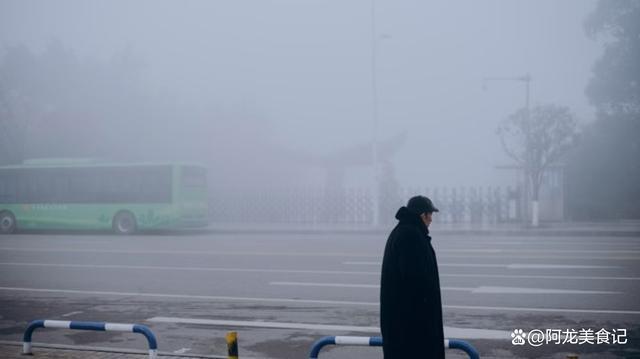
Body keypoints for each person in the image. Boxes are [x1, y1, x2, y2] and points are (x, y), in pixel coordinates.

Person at [380, 195, 444, 358]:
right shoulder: (411, 236)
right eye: (430, 215)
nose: (431, 220)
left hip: (403, 325)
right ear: (423, 215)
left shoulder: (404, 231)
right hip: (411, 328)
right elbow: (415, 283)